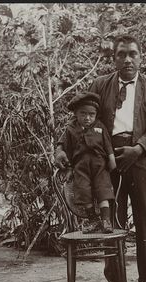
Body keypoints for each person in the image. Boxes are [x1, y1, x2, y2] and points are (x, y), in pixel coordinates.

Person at [88, 34, 146, 282]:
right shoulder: (100, 85)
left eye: (132, 54)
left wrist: (138, 149)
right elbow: (85, 120)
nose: (127, 59)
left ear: (140, 57)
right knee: (112, 221)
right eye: (121, 54)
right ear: (113, 58)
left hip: (142, 159)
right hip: (109, 161)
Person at [55, 92, 116, 233]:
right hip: (80, 167)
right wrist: (70, 169)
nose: (87, 118)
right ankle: (93, 220)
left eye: (91, 114)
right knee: (83, 191)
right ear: (76, 113)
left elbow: (107, 144)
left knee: (103, 189)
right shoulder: (71, 129)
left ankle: (106, 221)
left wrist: (111, 158)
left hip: (100, 165)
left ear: (96, 115)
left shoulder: (100, 126)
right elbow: (67, 149)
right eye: (83, 114)